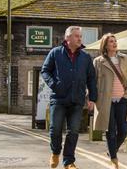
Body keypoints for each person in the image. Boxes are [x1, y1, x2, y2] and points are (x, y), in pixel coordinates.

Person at [41, 26, 97, 169]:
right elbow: (45, 71)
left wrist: (92, 98)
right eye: (77, 36)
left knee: (73, 131)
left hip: (77, 100)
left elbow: (91, 78)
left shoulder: (85, 57)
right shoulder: (55, 53)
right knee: (55, 129)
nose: (80, 38)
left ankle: (68, 161)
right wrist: (54, 85)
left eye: (80, 36)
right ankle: (55, 152)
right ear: (68, 38)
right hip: (59, 99)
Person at [93, 33, 127, 169]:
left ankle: (111, 150)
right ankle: (113, 159)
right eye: (111, 41)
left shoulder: (124, 58)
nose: (114, 43)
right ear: (105, 45)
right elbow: (93, 82)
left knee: (123, 130)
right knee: (110, 131)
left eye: (115, 41)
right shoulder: (98, 61)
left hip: (123, 99)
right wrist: (92, 98)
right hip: (106, 101)